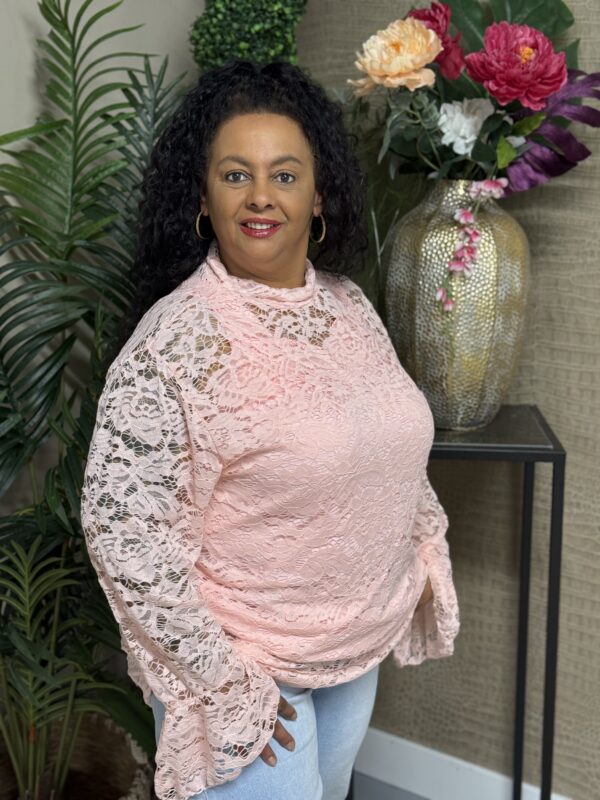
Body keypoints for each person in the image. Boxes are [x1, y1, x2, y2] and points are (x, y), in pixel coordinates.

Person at [80, 59, 460, 800]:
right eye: (235, 175)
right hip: (244, 663)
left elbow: (391, 444)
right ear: (203, 197)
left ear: (319, 196)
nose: (260, 196)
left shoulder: (348, 307)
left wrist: (419, 551)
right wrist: (222, 678)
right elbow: (125, 529)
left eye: (284, 175)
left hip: (351, 652)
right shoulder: (179, 341)